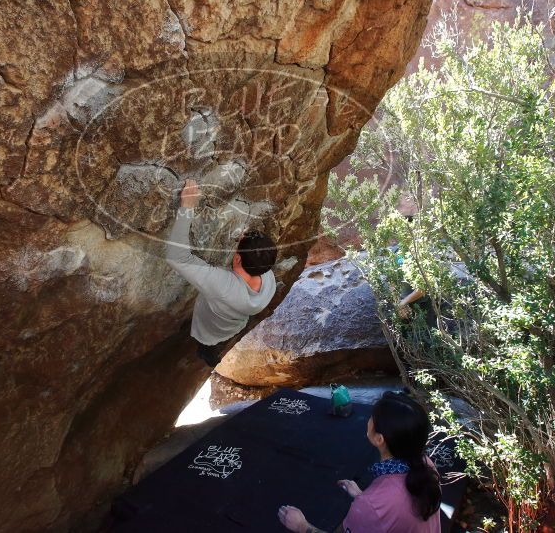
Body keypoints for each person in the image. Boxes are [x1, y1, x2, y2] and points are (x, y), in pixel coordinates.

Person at [277, 391, 442, 533]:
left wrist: (302, 526)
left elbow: (387, 506)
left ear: (379, 439)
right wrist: (364, 498)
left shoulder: (371, 505)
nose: (369, 419)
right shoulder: (426, 465)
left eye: (372, 417)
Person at [165, 178, 278, 367]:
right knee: (219, 342)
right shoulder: (268, 278)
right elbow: (257, 252)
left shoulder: (223, 286)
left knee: (206, 345)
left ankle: (206, 353)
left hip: (209, 328)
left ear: (237, 259)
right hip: (233, 325)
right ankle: (211, 354)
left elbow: (177, 256)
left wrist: (187, 207)